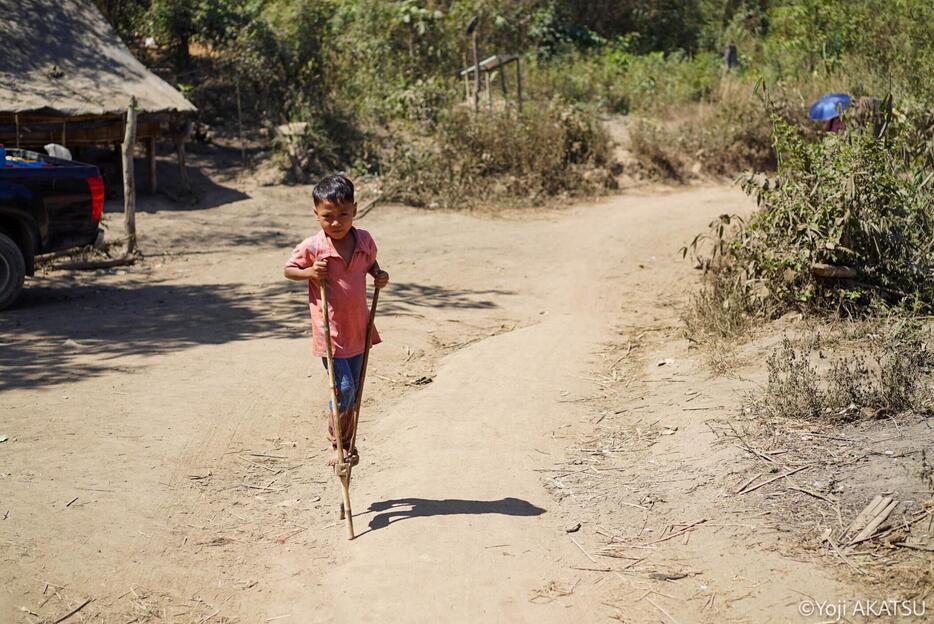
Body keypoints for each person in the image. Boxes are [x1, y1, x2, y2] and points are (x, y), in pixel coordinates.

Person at [284, 174, 389, 464]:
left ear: (355, 210)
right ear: (316, 214)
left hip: (358, 329)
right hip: (330, 333)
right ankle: (338, 445)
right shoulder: (314, 247)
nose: (336, 222)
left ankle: (347, 442)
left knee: (352, 392)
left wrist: (378, 275)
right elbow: (289, 269)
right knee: (342, 388)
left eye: (344, 214)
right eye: (328, 216)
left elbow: (370, 263)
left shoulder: (364, 239)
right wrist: (309, 273)